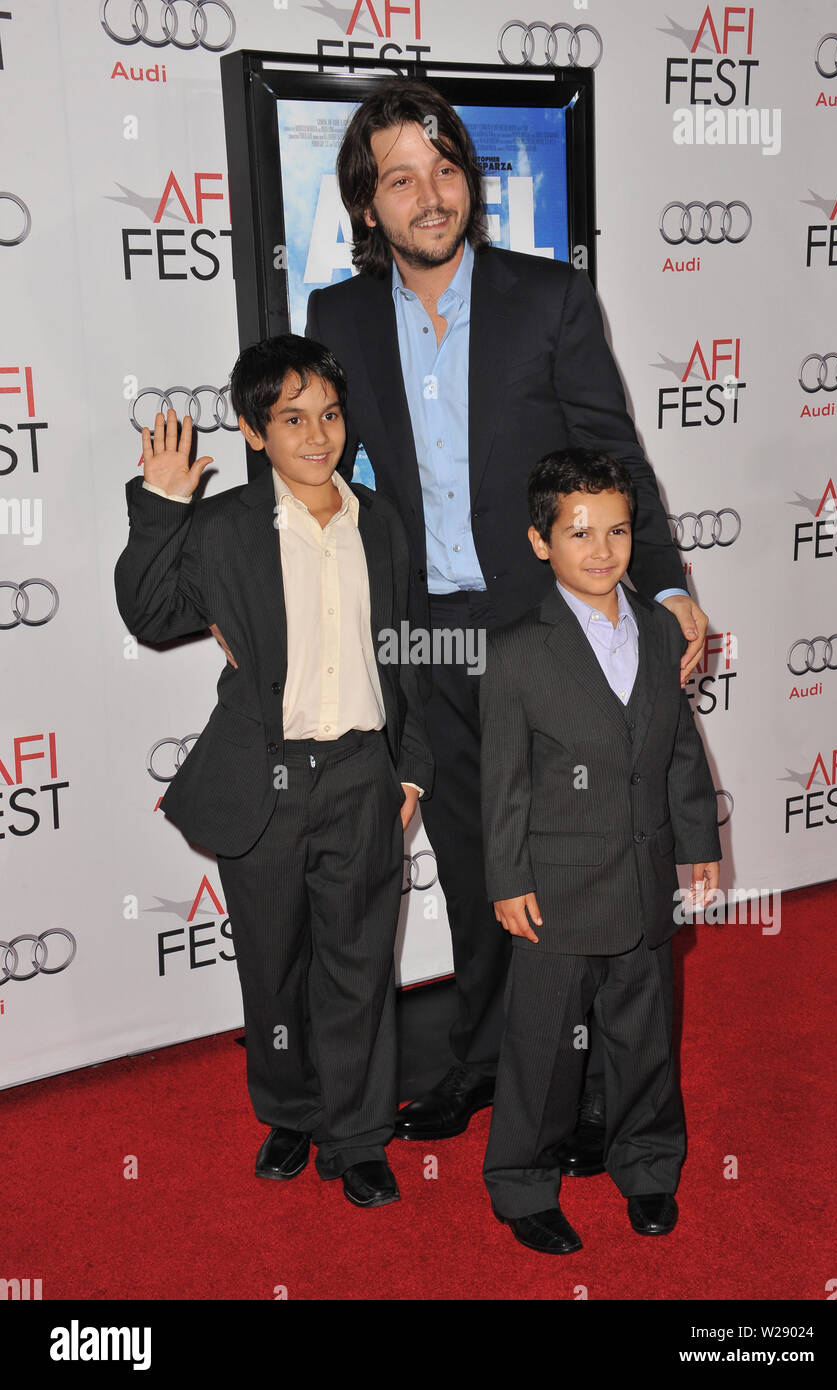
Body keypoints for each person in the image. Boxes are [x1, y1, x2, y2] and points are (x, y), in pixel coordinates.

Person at [305, 79, 708, 1162]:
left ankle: (584, 1091)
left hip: (544, 630)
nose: (429, 196)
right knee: (481, 859)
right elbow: (328, 484)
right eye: (400, 179)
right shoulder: (336, 319)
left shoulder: (547, 298)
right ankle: (488, 1062)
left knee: (577, 865)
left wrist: (664, 583)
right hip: (428, 633)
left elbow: (613, 453)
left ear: (467, 181)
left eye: (444, 171)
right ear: (368, 202)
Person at [114, 335, 433, 1209]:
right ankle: (291, 1113)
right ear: (257, 433)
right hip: (266, 780)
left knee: (361, 964)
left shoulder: (383, 519)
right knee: (273, 964)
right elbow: (149, 614)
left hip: (365, 775)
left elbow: (408, 654)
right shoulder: (224, 530)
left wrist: (410, 773)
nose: (316, 435)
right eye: (292, 419)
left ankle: (359, 1135)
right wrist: (162, 506)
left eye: (328, 415)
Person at [479, 449, 720, 1254]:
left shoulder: (660, 629)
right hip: (556, 886)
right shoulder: (516, 650)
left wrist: (697, 842)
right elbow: (503, 780)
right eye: (579, 533)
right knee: (542, 1049)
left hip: (645, 873)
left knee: (645, 1035)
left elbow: (677, 744)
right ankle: (520, 1182)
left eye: (617, 530)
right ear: (541, 542)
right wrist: (508, 878)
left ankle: (649, 1165)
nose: (602, 549)